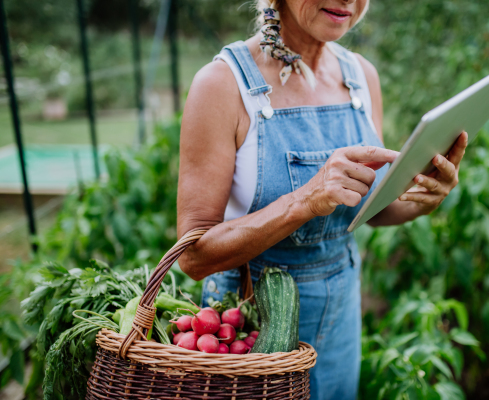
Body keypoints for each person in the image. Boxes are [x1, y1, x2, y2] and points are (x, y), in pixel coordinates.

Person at [177, 0, 468, 398]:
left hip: (341, 311)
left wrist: (423, 198)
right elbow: (194, 256)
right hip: (251, 321)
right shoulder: (222, 85)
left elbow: (367, 207)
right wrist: (306, 199)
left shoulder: (361, 76)